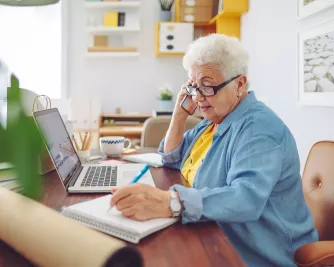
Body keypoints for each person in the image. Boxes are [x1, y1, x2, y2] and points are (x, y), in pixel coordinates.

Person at [110, 34, 319, 266]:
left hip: (258, 253)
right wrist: (179, 114)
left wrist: (172, 202)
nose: (198, 97)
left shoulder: (258, 130)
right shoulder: (213, 121)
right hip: (215, 233)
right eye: (193, 86)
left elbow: (246, 197)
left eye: (207, 87)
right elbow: (170, 157)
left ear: (239, 84)